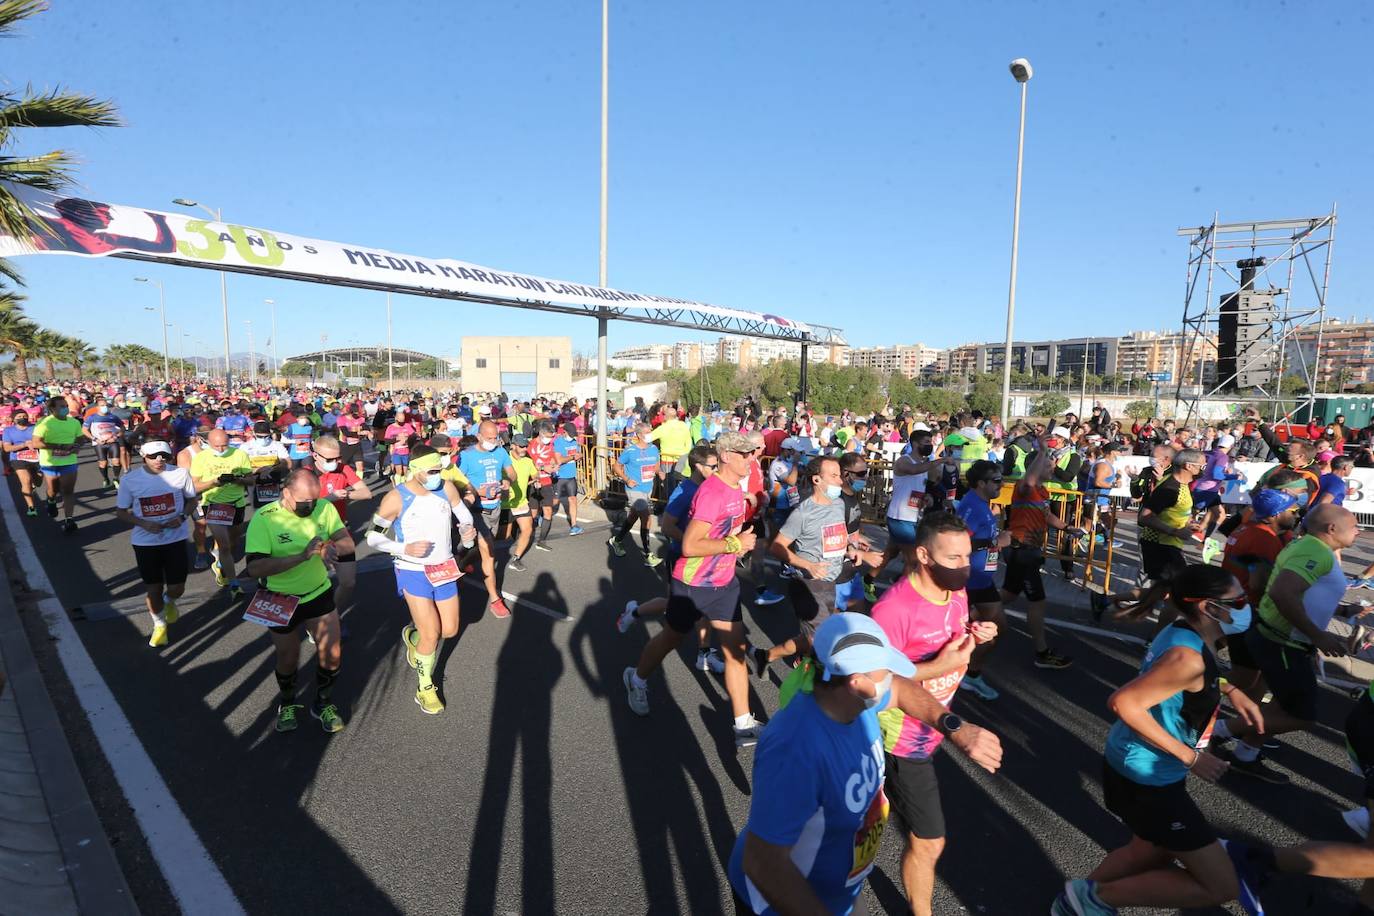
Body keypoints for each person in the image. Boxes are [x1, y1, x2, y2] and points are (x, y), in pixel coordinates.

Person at [728, 612, 1002, 916]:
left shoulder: (851, 700)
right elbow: (763, 864)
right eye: (884, 671)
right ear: (857, 683)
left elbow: (900, 688)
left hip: (839, 891)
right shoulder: (796, 748)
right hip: (784, 903)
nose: (889, 678)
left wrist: (956, 728)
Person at [1053, 564, 1267, 915]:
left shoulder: (1183, 629)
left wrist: (1230, 690)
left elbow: (1179, 677)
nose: (1246, 606)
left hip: (1132, 764)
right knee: (1221, 886)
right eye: (1238, 600)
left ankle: (1074, 904)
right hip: (1148, 776)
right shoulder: (1187, 657)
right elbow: (1123, 702)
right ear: (1208, 607)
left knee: (1149, 850)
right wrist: (1192, 758)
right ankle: (1096, 900)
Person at [870, 511, 1000, 916]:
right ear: (924, 555)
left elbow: (956, 640)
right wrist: (938, 669)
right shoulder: (894, 611)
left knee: (868, 823)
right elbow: (875, 684)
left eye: (967, 557)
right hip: (896, 737)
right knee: (929, 841)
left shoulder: (956, 592)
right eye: (953, 559)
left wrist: (978, 635)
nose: (965, 568)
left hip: (929, 730)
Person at [622, 430, 765, 746]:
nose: (752, 460)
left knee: (735, 651)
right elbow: (688, 544)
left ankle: (742, 723)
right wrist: (733, 543)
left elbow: (727, 530)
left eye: (753, 453)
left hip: (724, 583)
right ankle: (637, 677)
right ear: (726, 456)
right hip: (692, 584)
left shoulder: (734, 489)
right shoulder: (712, 493)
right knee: (670, 639)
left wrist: (737, 547)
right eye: (746, 454)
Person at [1216, 503, 1360, 784]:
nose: (1359, 530)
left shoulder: (1310, 546)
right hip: (1283, 643)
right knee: (1302, 716)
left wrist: (1343, 611)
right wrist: (1317, 635)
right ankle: (1216, 731)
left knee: (1282, 705)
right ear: (1332, 528)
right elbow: (1283, 593)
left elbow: (1304, 592)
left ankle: (1246, 754)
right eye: (1354, 525)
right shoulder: (1315, 551)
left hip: (1280, 638)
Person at [243, 469, 355, 734]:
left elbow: (345, 540)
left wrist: (331, 545)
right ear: (286, 493)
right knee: (288, 658)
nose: (310, 507)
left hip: (317, 592)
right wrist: (302, 557)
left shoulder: (324, 508)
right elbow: (255, 568)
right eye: (304, 502)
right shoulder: (265, 518)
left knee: (332, 654)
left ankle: (322, 703)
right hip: (279, 598)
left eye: (314, 501)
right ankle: (288, 702)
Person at [367, 446, 474, 715]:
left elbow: (464, 515)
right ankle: (425, 687)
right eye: (432, 471)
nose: (437, 475)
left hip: (444, 567)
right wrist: (404, 548)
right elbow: (372, 536)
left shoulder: (447, 488)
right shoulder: (396, 497)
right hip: (412, 569)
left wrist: (467, 534)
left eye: (440, 470)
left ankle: (413, 637)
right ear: (415, 470)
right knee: (432, 634)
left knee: (448, 630)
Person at [751, 456, 884, 672]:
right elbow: (777, 547)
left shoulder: (839, 504)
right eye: (833, 476)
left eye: (839, 476)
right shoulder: (803, 513)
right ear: (816, 480)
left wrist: (852, 550)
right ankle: (812, 693)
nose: (840, 481)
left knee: (816, 638)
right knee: (823, 643)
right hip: (808, 585)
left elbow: (837, 537)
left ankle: (766, 655)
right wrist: (806, 565)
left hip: (830, 582)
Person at [615, 444, 725, 673]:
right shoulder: (684, 492)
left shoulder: (709, 486)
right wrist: (692, 542)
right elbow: (666, 526)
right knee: (678, 605)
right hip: (682, 556)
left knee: (705, 606)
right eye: (713, 466)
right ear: (697, 466)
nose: (717, 470)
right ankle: (633, 613)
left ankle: (704, 653)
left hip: (702, 556)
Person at [114, 441, 199, 648]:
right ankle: (159, 625)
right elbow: (121, 512)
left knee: (177, 587)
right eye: (154, 456)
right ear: (144, 456)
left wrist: (181, 517)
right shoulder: (130, 480)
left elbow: (192, 501)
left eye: (164, 456)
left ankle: (169, 602)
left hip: (176, 538)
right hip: (145, 542)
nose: (159, 460)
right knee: (153, 588)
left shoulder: (180, 474)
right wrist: (144, 523)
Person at [1000, 448, 1077, 669]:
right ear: (1035, 468)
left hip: (1029, 550)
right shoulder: (1024, 488)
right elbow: (1028, 479)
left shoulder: (1043, 492)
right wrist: (1042, 450)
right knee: (1038, 600)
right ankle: (1042, 653)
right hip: (1021, 549)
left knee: (1008, 594)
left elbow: (1047, 515)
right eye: (1048, 464)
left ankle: (967, 615)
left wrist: (1068, 527)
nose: (1053, 466)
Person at [956, 460, 1010, 700]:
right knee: (954, 635)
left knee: (998, 630)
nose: (1002, 484)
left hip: (982, 580)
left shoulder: (983, 504)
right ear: (981, 483)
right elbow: (958, 542)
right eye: (997, 481)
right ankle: (950, 674)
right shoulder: (972, 505)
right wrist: (995, 543)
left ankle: (971, 674)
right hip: (966, 581)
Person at [456, 419, 516, 618]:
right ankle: (495, 600)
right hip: (476, 510)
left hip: (495, 508)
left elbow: (512, 474)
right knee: (489, 553)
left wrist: (507, 480)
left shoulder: (500, 452)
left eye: (496, 437)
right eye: (489, 438)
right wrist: (473, 490)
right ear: (479, 436)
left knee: (479, 549)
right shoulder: (466, 456)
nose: (494, 441)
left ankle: (460, 563)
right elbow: (455, 484)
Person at [310, 434, 372, 627]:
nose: (335, 462)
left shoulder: (343, 469)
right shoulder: (306, 474)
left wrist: (346, 494)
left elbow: (366, 493)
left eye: (338, 458)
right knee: (316, 583)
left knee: (348, 582)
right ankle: (316, 621)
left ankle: (330, 616)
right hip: (313, 534)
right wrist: (329, 498)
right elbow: (299, 506)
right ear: (315, 456)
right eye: (329, 459)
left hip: (339, 530)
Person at [1137, 449, 1205, 611]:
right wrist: (1175, 531)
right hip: (1159, 544)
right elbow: (1144, 517)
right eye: (1202, 465)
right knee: (1178, 592)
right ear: (1188, 466)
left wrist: (1190, 523)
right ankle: (1160, 632)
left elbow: (1177, 511)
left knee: (1163, 591)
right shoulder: (1170, 488)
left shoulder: (1182, 484)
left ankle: (1106, 601)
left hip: (1169, 543)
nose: (1204, 469)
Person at [190, 428, 255, 598]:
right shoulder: (201, 458)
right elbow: (194, 486)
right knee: (224, 545)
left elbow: (251, 479)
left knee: (233, 542)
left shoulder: (240, 455)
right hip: (213, 504)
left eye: (224, 445)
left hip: (237, 504)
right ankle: (234, 583)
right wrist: (213, 483)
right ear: (208, 443)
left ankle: (220, 563)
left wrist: (237, 479)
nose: (220, 449)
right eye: (216, 446)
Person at [609, 422, 663, 567]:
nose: (650, 434)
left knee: (633, 515)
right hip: (634, 489)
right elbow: (616, 465)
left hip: (648, 488)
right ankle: (648, 555)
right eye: (647, 432)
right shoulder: (630, 451)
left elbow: (656, 463)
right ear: (639, 435)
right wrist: (626, 479)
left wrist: (659, 471)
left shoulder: (653, 448)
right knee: (646, 518)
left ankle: (617, 540)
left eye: (650, 431)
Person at [32, 396, 84, 533]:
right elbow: (36, 443)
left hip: (69, 461)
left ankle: (69, 520)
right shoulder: (44, 423)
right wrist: (59, 446)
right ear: (52, 409)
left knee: (68, 491)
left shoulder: (74, 422)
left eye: (66, 405)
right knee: (53, 489)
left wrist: (77, 446)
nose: (65, 408)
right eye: (62, 406)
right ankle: (51, 500)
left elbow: (80, 438)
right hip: (50, 463)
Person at [499, 434, 537, 572]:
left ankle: (516, 559)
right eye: (521, 446)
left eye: (526, 446)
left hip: (521, 502)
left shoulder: (527, 461)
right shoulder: (504, 459)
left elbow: (535, 475)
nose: (524, 449)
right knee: (502, 537)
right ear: (513, 445)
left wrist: (537, 479)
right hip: (504, 504)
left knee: (527, 530)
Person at [3, 408, 41, 517]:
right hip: (18, 458)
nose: (22, 418)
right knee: (26, 481)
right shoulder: (8, 431)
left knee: (38, 481)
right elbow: (7, 448)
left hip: (36, 457)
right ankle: (31, 507)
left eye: (24, 416)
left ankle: (34, 481)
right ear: (13, 419)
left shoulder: (35, 427)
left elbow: (43, 441)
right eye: (19, 417)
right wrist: (23, 445)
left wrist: (35, 444)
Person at [83, 398, 126, 490]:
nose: (105, 407)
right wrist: (94, 439)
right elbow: (84, 430)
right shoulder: (92, 417)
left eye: (106, 405)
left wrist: (116, 436)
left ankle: (116, 478)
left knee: (116, 462)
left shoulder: (113, 417)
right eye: (102, 405)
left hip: (113, 442)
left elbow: (122, 427)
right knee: (103, 463)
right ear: (97, 407)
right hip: (99, 443)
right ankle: (106, 478)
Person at [549, 422, 583, 536]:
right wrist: (573, 456)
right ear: (565, 432)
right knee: (555, 501)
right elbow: (559, 460)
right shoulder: (558, 442)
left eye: (574, 434)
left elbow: (577, 453)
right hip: (560, 476)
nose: (573, 436)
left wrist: (578, 456)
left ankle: (574, 525)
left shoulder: (574, 441)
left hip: (571, 476)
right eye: (571, 434)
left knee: (573, 499)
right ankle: (543, 514)